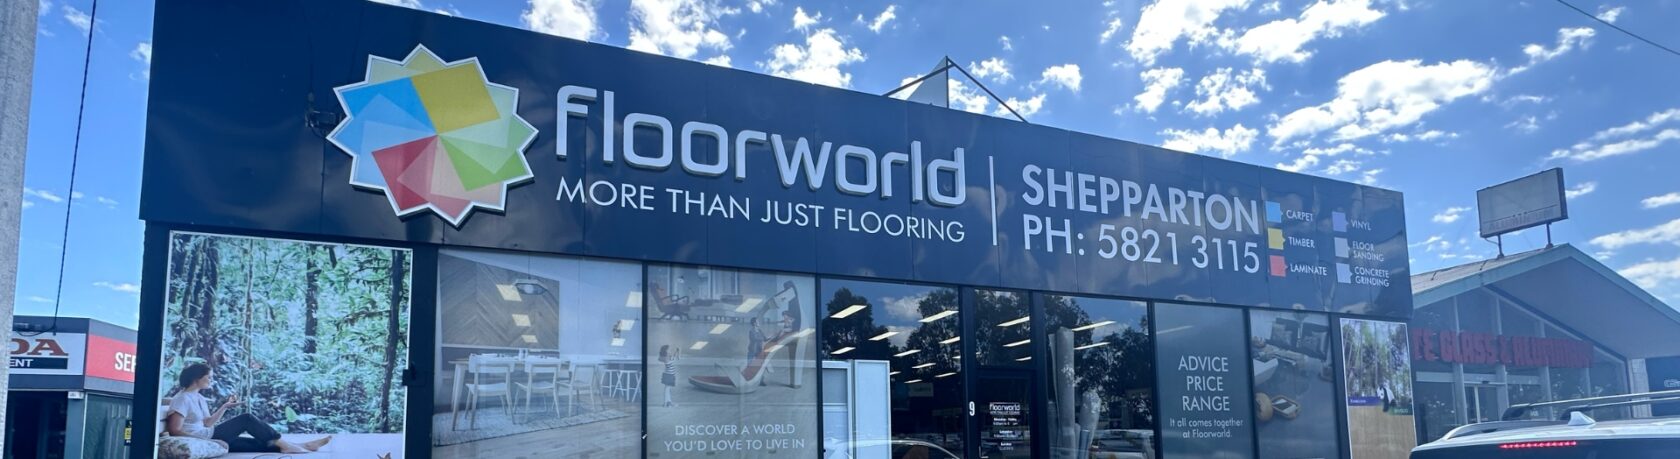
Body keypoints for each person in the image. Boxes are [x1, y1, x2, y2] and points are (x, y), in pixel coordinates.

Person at [164, 363, 331, 454]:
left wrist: (225, 406)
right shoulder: (182, 399)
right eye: (209, 377)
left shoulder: (199, 397)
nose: (211, 380)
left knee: (256, 444)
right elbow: (174, 430)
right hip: (206, 437)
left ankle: (305, 445)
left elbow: (207, 423)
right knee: (246, 419)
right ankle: (288, 445)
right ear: (196, 378)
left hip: (209, 433)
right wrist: (210, 441)